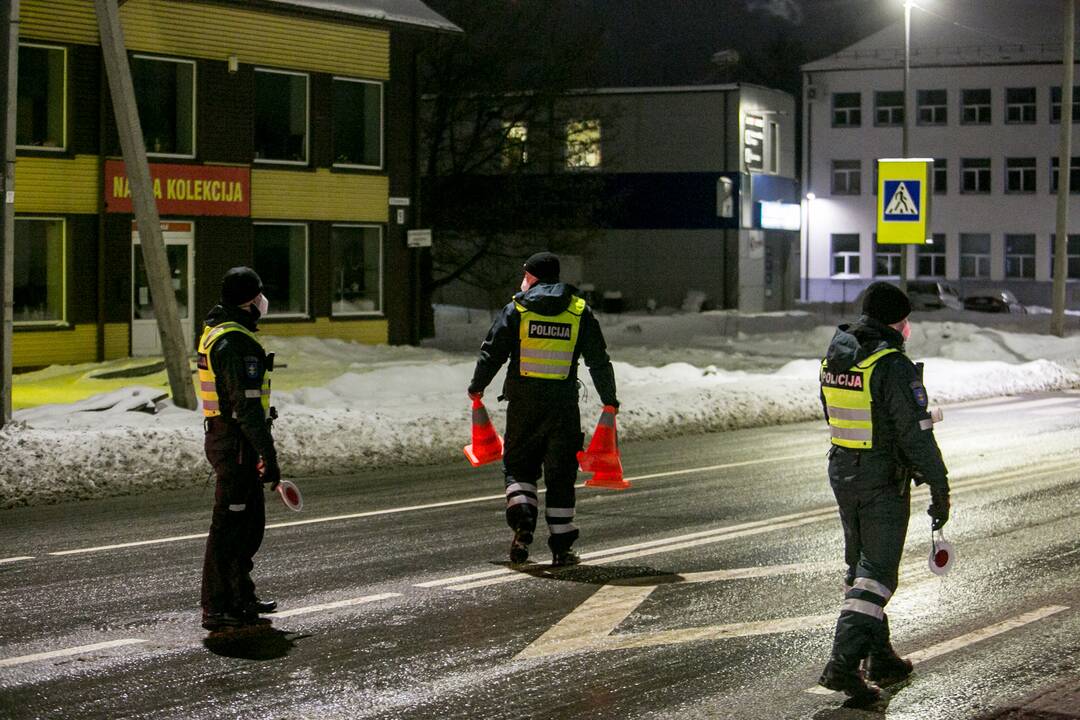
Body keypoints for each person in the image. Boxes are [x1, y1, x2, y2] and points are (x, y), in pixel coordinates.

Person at [816, 281, 951, 702]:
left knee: (860, 565)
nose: (908, 327)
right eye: (906, 320)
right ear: (898, 321)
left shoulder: (837, 356)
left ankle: (880, 657)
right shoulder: (891, 364)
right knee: (877, 575)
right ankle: (842, 664)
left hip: (843, 470)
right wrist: (939, 485)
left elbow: (832, 411)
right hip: (880, 478)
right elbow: (914, 435)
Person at [467, 252, 619, 567]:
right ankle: (562, 547)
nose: (523, 279)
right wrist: (609, 398)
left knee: (519, 466)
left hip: (524, 405)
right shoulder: (578, 312)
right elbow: (598, 360)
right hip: (563, 406)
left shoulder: (518, 309)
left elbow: (493, 352)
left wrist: (477, 386)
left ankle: (523, 522)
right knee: (560, 474)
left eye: (526, 274)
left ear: (534, 277)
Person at [198, 267, 281, 631]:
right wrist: (269, 454)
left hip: (229, 438)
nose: (263, 301)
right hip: (236, 444)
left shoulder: (219, 331)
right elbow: (246, 408)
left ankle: (240, 595)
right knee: (231, 527)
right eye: (260, 294)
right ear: (250, 301)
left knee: (248, 525)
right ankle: (219, 605)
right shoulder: (235, 343)